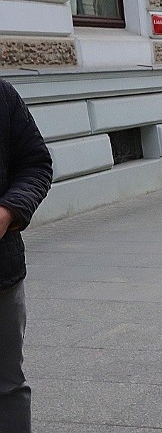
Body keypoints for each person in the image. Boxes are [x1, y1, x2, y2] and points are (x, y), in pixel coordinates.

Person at [0, 79, 52, 433]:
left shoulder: (2, 97)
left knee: (7, 386)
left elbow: (35, 164)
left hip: (1, 274)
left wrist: (8, 210)